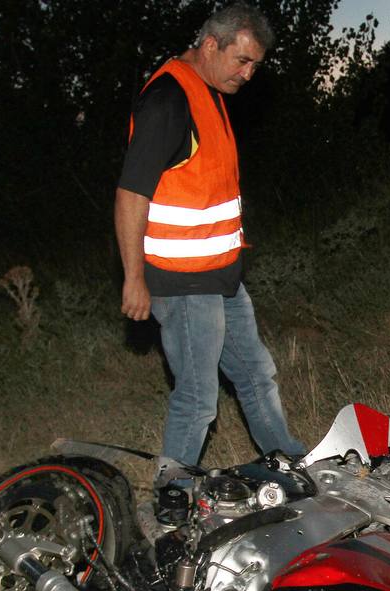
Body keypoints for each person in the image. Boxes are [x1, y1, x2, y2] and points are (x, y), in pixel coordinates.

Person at [115, 2, 305, 486]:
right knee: (198, 397)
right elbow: (131, 193)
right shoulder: (169, 100)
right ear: (210, 44)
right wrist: (133, 277)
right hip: (181, 282)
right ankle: (172, 500)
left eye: (256, 66)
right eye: (242, 61)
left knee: (257, 374)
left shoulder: (211, 91)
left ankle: (291, 467)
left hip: (221, 276)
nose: (248, 74)